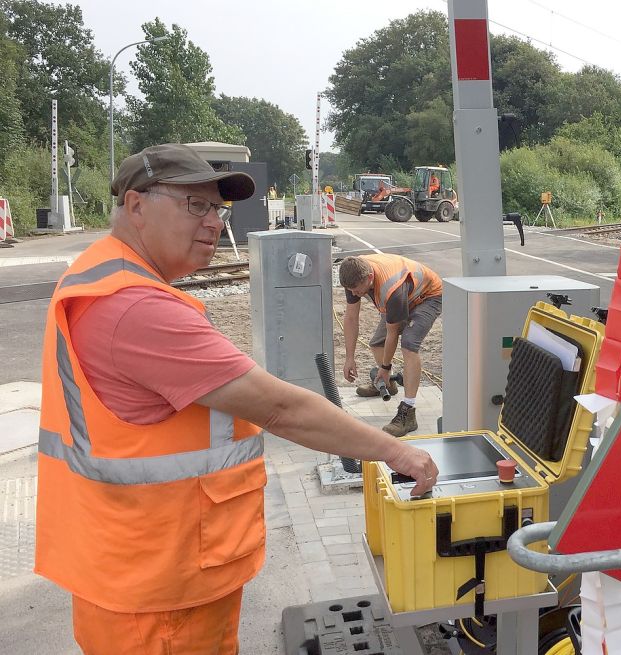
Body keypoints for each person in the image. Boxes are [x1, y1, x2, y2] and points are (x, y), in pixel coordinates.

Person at [34, 143, 438, 655]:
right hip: (161, 594)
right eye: (194, 205)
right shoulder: (134, 308)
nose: (212, 222)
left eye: (217, 209)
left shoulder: (103, 275)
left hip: (141, 566)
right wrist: (396, 451)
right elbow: (280, 408)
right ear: (135, 206)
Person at [339, 254, 442, 437]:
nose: (354, 294)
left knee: (409, 344)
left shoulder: (390, 288)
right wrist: (349, 358)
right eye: (350, 290)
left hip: (428, 296)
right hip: (404, 295)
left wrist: (385, 367)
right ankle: (388, 385)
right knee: (376, 343)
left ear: (369, 278)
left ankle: (408, 412)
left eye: (356, 290)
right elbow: (351, 317)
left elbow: (393, 332)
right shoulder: (353, 273)